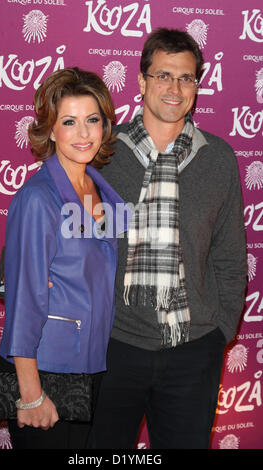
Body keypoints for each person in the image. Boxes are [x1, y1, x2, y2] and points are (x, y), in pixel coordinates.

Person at [87, 28, 247, 449]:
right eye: (163, 75)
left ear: (197, 85)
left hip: (193, 352)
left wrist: (219, 332)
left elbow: (230, 257)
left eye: (186, 78)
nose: (175, 88)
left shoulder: (218, 158)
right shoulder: (101, 151)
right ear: (141, 81)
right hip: (111, 348)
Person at [0, 67, 128, 449]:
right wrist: (31, 393)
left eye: (92, 120)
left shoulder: (103, 191)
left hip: (93, 364)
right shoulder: (38, 198)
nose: (84, 133)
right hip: (44, 370)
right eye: (69, 122)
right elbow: (24, 299)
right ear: (51, 130)